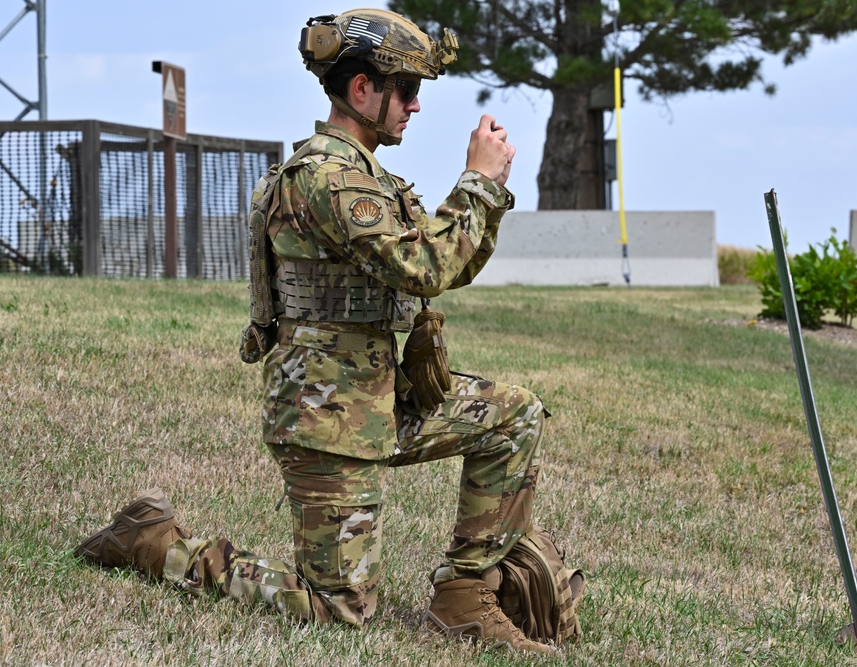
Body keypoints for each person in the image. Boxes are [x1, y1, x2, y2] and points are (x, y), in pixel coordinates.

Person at [77, 9, 564, 654]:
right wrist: (475, 181)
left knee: (514, 416)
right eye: (406, 91)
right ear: (361, 90)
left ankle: (464, 597)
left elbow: (452, 264)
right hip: (327, 416)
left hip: (382, 400)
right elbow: (423, 267)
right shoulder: (326, 177)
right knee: (337, 610)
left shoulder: (371, 177)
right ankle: (156, 545)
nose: (415, 107)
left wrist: (487, 193)